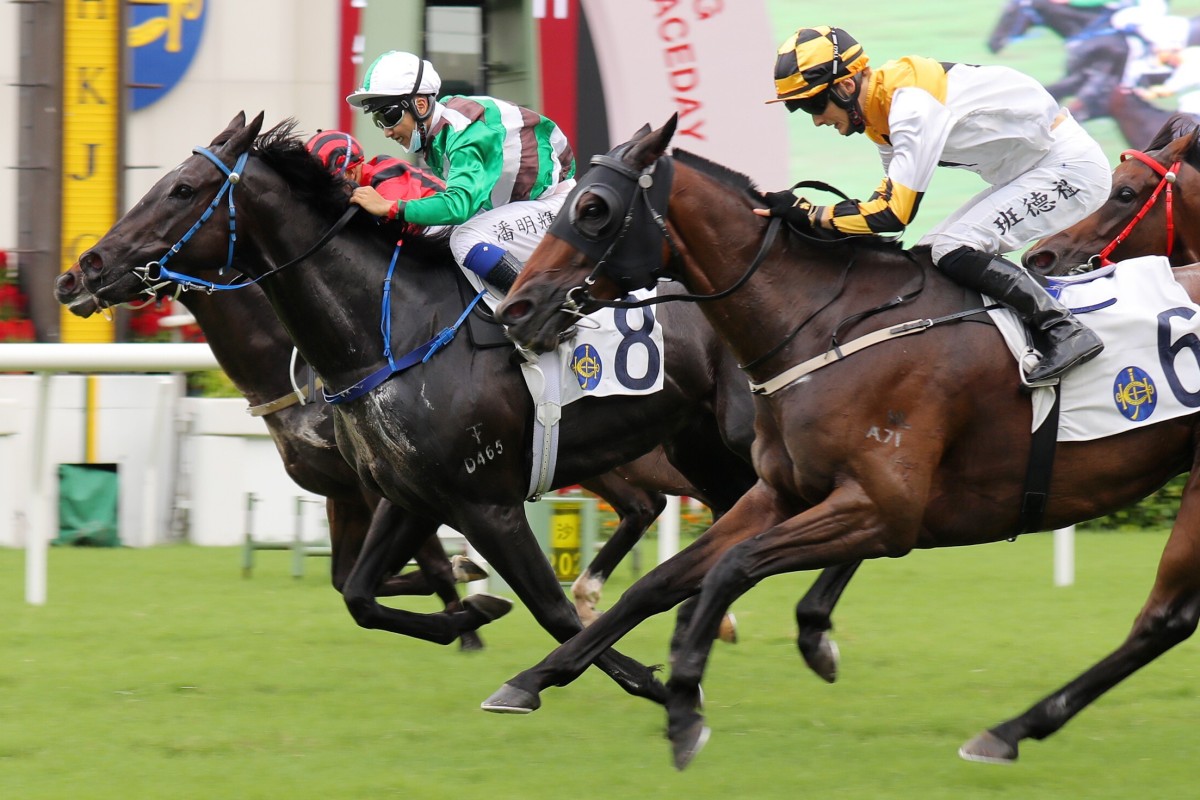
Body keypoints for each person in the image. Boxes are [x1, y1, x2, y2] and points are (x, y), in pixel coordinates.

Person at [760, 26, 1112, 383]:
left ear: (846, 86)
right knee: (929, 254)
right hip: (1033, 171)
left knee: (952, 248)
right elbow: (882, 202)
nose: (816, 119)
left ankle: (1063, 329)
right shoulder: (880, 116)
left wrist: (810, 215)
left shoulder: (910, 107)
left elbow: (892, 216)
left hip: (1070, 169)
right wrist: (811, 223)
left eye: (813, 105)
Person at [344, 50, 576, 295]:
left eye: (389, 116)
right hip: (516, 206)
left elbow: (458, 205)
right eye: (377, 120)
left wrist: (390, 207)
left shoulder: (465, 133)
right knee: (433, 234)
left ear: (420, 104)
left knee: (464, 240)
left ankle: (540, 307)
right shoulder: (438, 132)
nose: (386, 132)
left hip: (553, 208)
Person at [304, 129, 446, 202]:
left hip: (455, 225)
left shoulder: (388, 180)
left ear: (351, 173)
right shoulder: (371, 179)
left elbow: (399, 233)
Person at [1137, 42, 1200, 112]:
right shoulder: (1194, 51)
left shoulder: (1189, 65)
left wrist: (1143, 92)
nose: (1170, 64)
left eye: (1167, 61)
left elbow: (1167, 90)